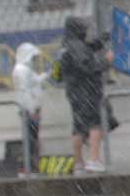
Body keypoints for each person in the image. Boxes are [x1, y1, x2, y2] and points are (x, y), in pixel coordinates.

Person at [57, 16, 109, 173]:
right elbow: (87, 66)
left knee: (78, 127)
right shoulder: (76, 46)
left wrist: (101, 40)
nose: (86, 31)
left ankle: (78, 163)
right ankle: (93, 159)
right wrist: (106, 62)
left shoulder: (67, 45)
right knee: (94, 123)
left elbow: (86, 49)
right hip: (86, 91)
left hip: (74, 92)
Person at [10, 42, 45, 174]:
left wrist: (50, 73)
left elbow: (36, 81)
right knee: (30, 140)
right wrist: (31, 110)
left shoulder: (25, 69)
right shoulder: (21, 70)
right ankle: (27, 166)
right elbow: (24, 92)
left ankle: (31, 166)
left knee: (33, 139)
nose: (35, 60)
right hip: (28, 110)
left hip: (32, 109)